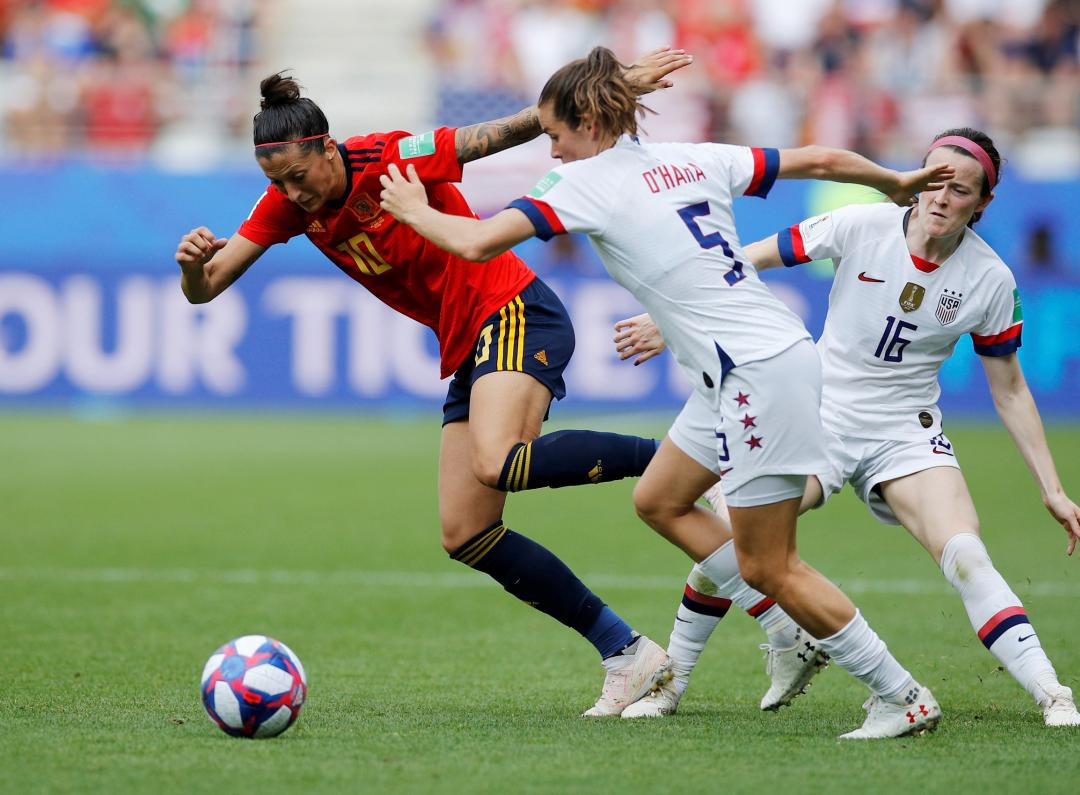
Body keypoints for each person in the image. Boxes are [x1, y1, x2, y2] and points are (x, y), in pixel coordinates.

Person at [378, 46, 956, 739]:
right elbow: (822, 161)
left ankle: (899, 692)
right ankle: (785, 630)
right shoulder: (695, 157)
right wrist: (894, 179)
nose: (551, 148)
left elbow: (474, 243)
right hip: (752, 362)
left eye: (556, 133)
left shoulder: (582, 184)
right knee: (658, 497)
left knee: (770, 562)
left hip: (754, 375)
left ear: (589, 123)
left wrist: (411, 207)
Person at [172, 48, 694, 718]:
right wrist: (192, 266)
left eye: (301, 176)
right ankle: (627, 652)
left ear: (328, 148)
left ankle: (678, 459)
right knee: (466, 532)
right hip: (468, 342)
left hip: (510, 307)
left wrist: (608, 87)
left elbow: (507, 130)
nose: (295, 194)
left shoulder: (395, 155)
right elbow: (207, 288)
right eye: (281, 184)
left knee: (499, 461)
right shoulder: (288, 206)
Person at [615, 127, 1080, 728]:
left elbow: (1011, 388)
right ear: (919, 178)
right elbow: (752, 258)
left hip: (906, 431)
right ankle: (676, 682)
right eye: (936, 183)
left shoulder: (991, 279)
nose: (943, 199)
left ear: (983, 204)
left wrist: (1052, 488)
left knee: (968, 556)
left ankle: (1055, 696)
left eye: (962, 192)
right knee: (741, 527)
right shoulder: (862, 225)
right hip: (818, 414)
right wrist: (671, 318)